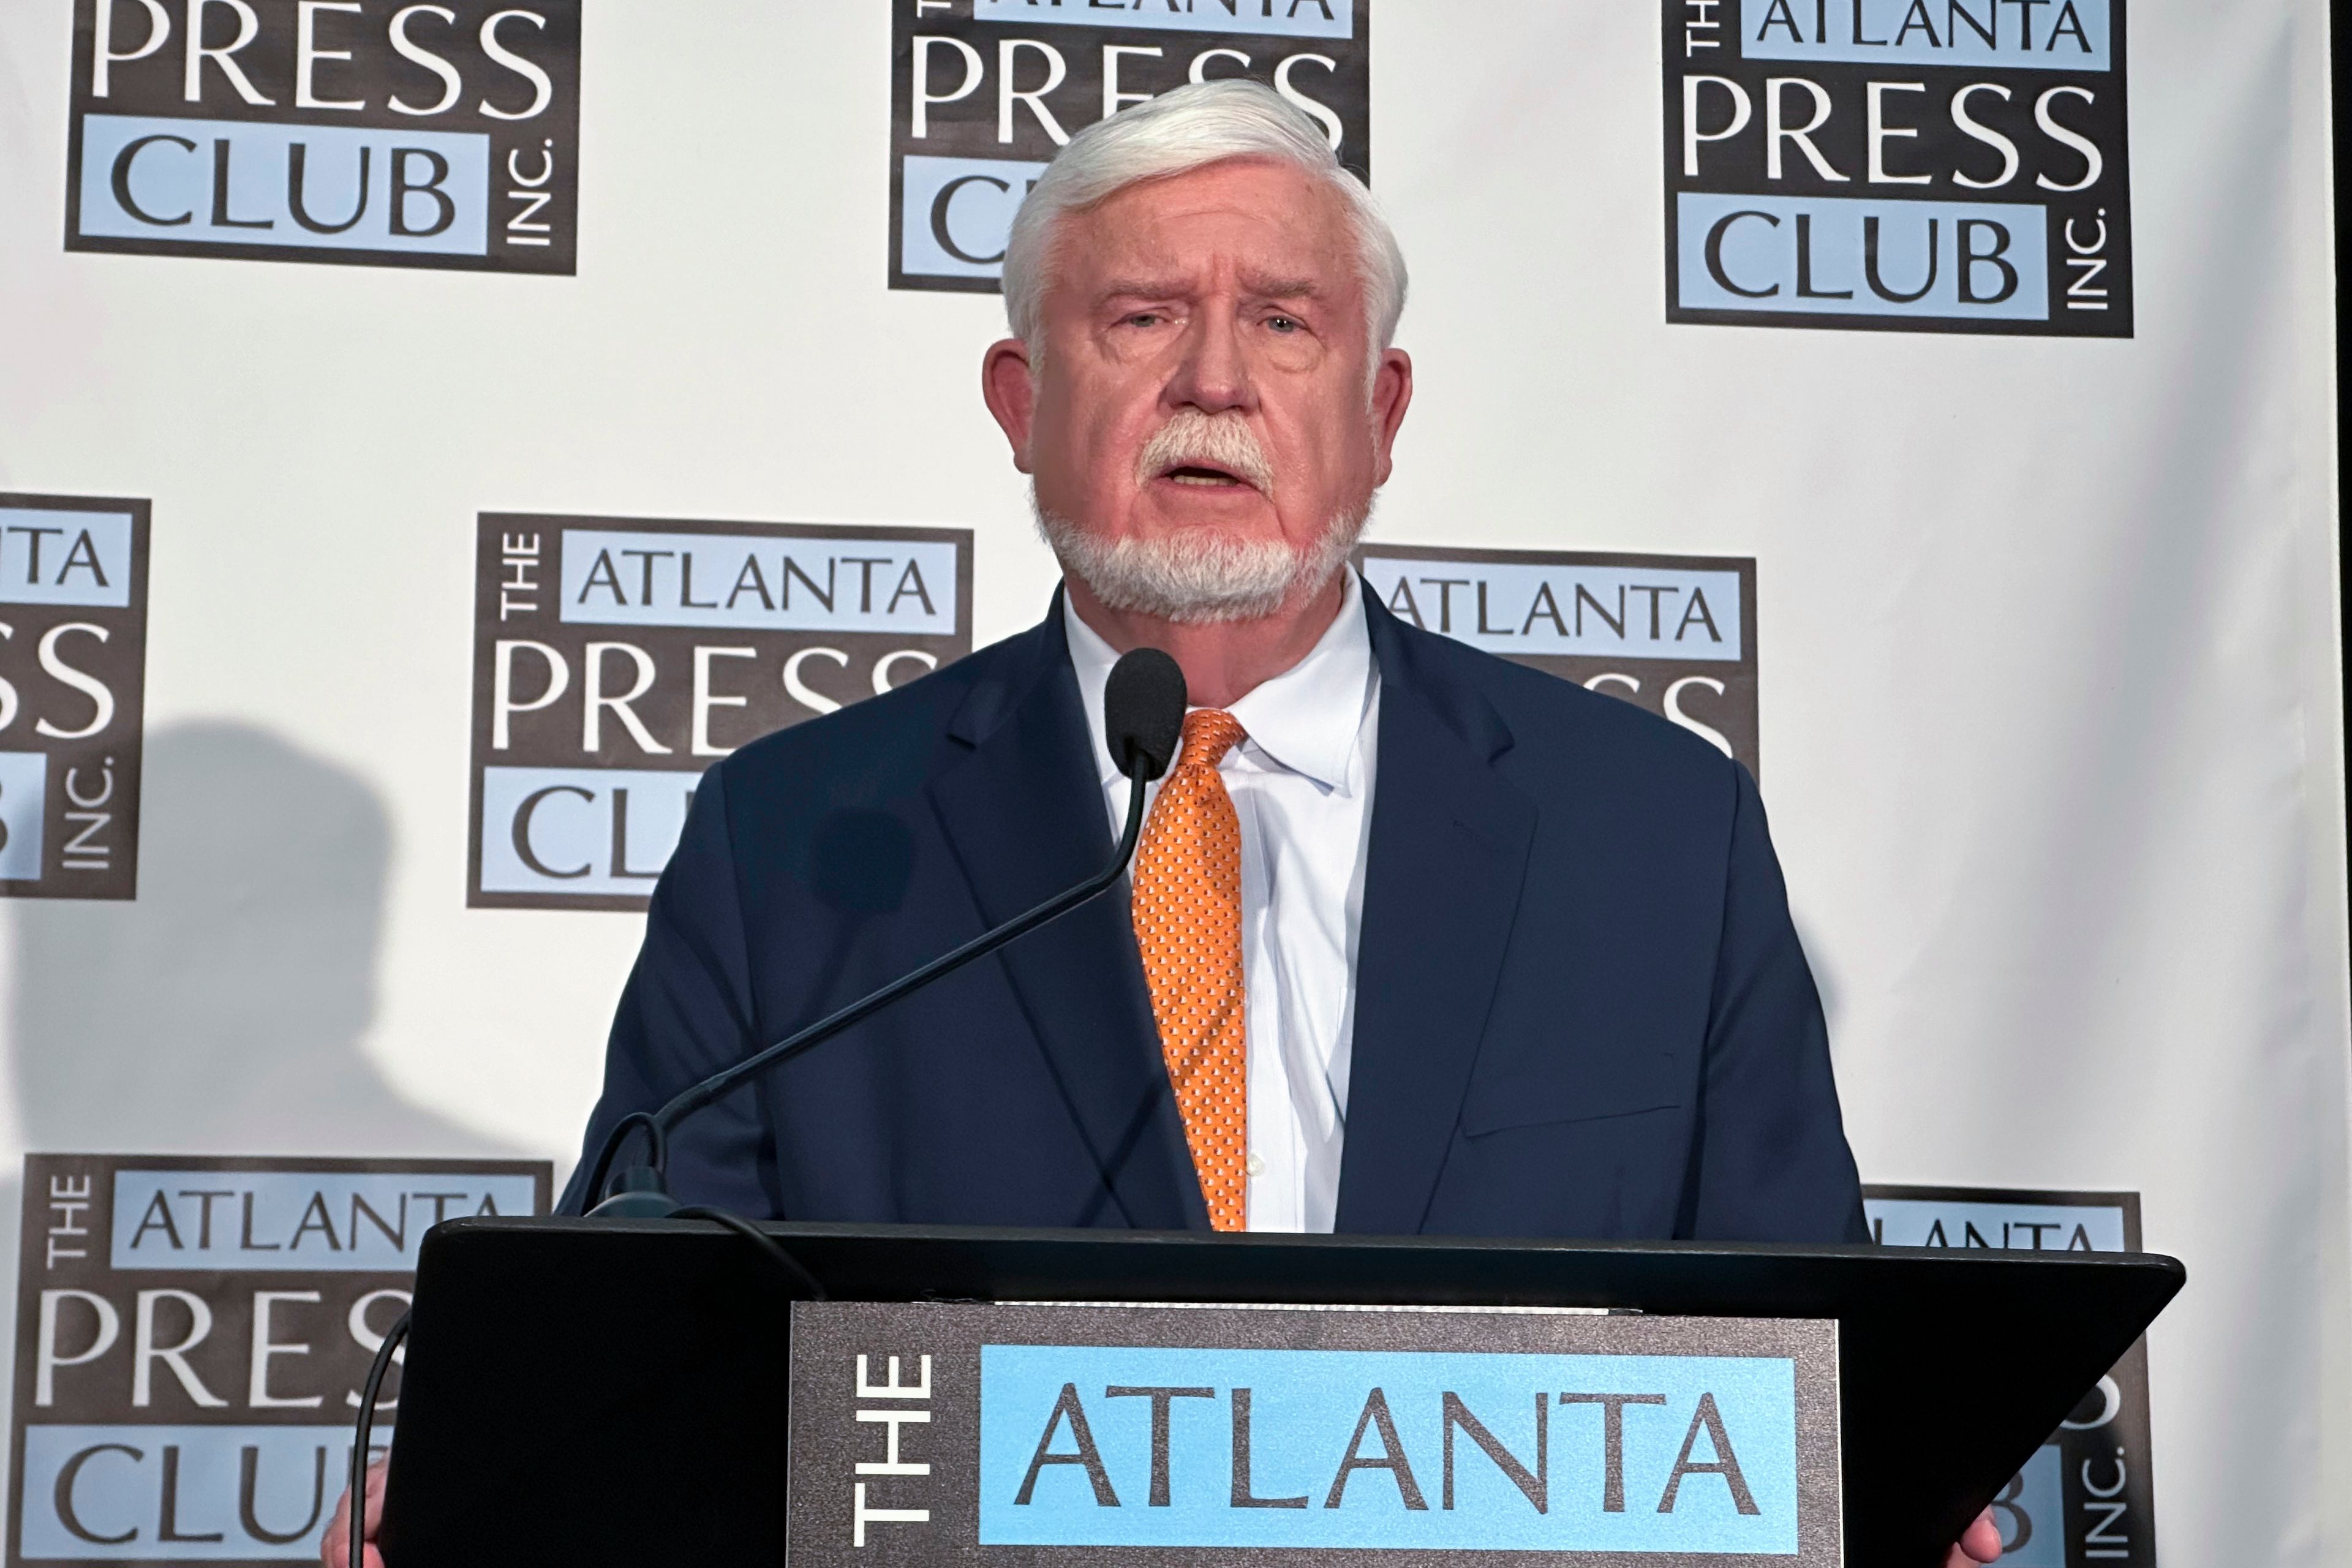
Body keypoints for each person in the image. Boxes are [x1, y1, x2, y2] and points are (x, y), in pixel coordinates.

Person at [327, 80, 2000, 1567]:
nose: (1214, 378)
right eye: (1137, 319)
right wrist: (513, 1501)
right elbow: (656, 1348)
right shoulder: (797, 844)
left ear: (1383, 412)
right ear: (1020, 398)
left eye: (1285, 323)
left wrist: (1880, 1494)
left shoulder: (1649, 833)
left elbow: (1804, 1359)